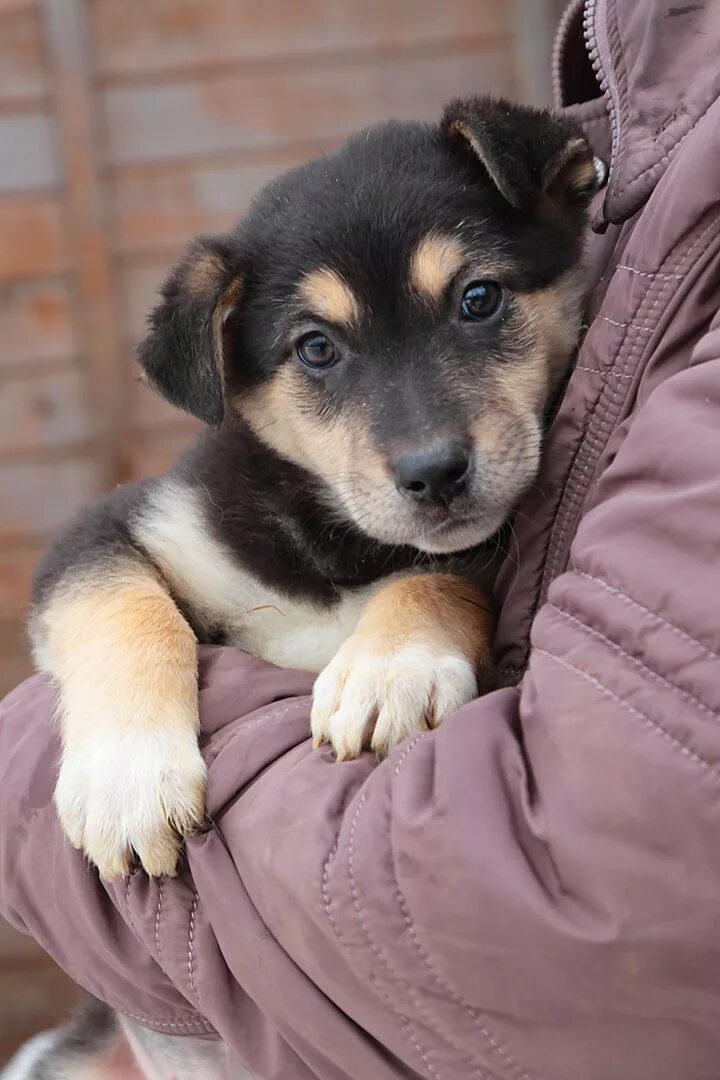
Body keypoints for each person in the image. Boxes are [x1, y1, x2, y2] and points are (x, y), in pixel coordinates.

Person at [2, 0, 720, 1076]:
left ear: (566, 237)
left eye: (478, 302)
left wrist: (430, 604)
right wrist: (121, 711)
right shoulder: (235, 516)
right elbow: (99, 560)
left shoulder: (587, 476)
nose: (426, 440)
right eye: (320, 354)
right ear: (233, 383)